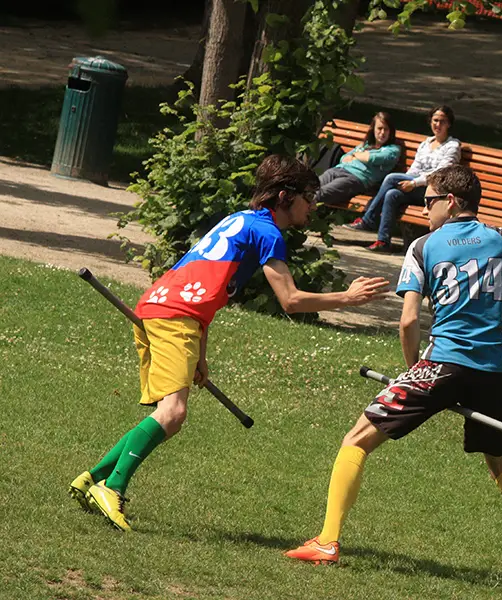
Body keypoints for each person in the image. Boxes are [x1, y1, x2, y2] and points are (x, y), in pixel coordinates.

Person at [285, 165, 502, 594]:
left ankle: (327, 541)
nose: (423, 209)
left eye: (428, 201)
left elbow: (408, 321)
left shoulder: (422, 247)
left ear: (450, 202)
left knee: (356, 440)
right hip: (492, 372)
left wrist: (412, 369)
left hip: (442, 364)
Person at [68, 155, 391, 532]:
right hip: (176, 316)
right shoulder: (268, 233)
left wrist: (200, 353)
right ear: (285, 197)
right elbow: (290, 301)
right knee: (172, 413)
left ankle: (92, 478)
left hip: (159, 307)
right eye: (308, 197)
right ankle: (113, 488)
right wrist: (347, 298)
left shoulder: (239, 220)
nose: (312, 205)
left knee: (165, 414)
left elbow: (206, 287)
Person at [344, 105, 461, 252]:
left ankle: (369, 219)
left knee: (391, 178)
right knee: (392, 194)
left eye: (442, 121)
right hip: (416, 187)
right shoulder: (426, 144)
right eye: (435, 120)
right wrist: (406, 181)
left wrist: (414, 183)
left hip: (434, 191)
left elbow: (440, 174)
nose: (438, 124)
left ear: (448, 124)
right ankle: (383, 241)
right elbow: (415, 169)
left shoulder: (452, 146)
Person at [316, 112, 401, 206]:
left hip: (355, 178)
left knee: (320, 194)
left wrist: (355, 156)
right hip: (337, 170)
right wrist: (358, 156)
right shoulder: (366, 145)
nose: (382, 133)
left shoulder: (393, 150)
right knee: (309, 188)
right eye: (379, 128)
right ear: (373, 129)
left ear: (391, 131)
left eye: (386, 129)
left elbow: (371, 158)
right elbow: (344, 158)